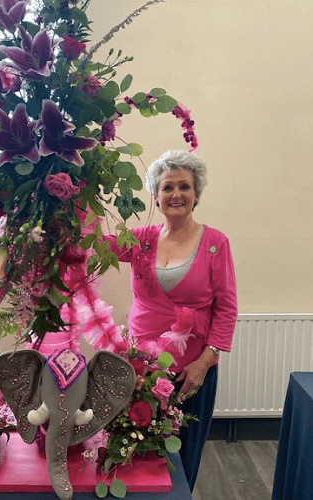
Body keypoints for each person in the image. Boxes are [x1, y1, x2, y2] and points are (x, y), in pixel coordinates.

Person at [105, 149, 238, 490]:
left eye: (184, 187)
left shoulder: (215, 242)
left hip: (191, 370)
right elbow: (93, 246)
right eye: (167, 187)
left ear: (197, 195)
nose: (176, 194)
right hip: (139, 366)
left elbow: (226, 308)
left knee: (180, 456)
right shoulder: (141, 240)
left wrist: (204, 364)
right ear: (155, 195)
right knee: (133, 448)